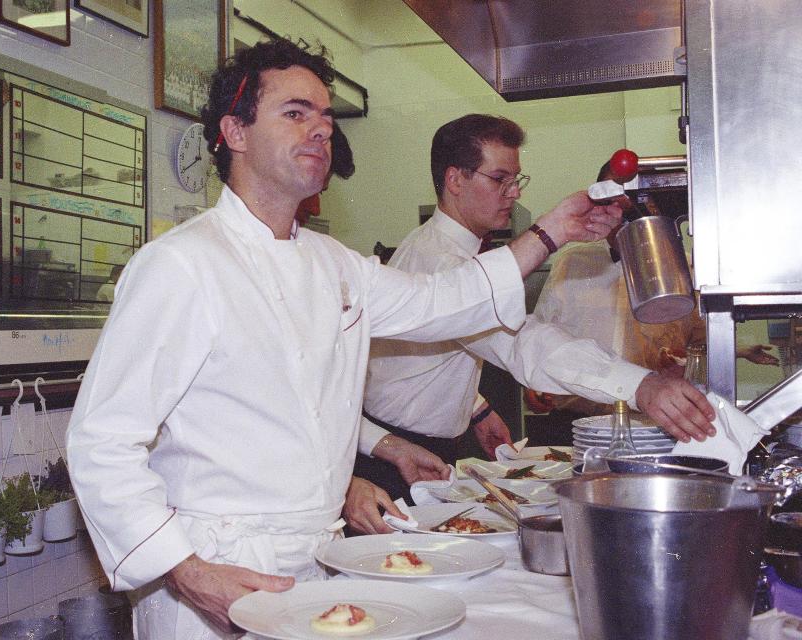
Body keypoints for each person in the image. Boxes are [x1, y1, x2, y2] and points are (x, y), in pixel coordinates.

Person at [65, 39, 654, 640]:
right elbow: (100, 442)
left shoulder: (334, 263)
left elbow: (439, 304)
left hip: (317, 568)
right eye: (296, 113)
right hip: (218, 571)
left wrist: (551, 231)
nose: (321, 129)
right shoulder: (182, 265)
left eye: (325, 115)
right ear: (234, 133)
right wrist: (184, 570)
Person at [350, 115, 720, 531]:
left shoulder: (449, 250)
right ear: (455, 179)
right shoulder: (440, 260)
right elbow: (522, 342)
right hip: (390, 456)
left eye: (516, 180)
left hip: (424, 444)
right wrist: (640, 384)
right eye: (499, 180)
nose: (512, 194)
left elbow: (433, 352)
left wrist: (476, 409)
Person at [527, 161, 778, 430]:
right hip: (576, 421)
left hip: (652, 421)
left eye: (630, 200)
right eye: (612, 198)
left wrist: (723, 355)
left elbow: (699, 338)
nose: (622, 209)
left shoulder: (685, 268)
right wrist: (530, 383)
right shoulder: (572, 261)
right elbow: (541, 331)